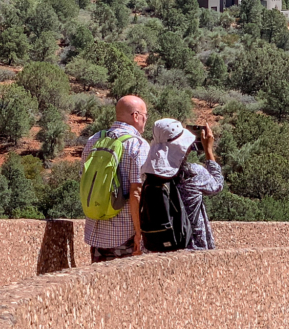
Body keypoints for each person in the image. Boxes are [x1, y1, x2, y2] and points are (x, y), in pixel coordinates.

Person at [81, 95, 149, 261]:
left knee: (98, 277)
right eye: (145, 115)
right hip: (125, 233)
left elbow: (84, 179)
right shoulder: (137, 145)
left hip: (96, 232)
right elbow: (136, 193)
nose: (146, 120)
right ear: (136, 116)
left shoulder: (94, 139)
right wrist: (139, 233)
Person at [140, 118, 224, 251]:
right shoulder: (193, 174)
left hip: (155, 246)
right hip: (192, 246)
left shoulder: (148, 176)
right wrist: (208, 150)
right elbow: (217, 185)